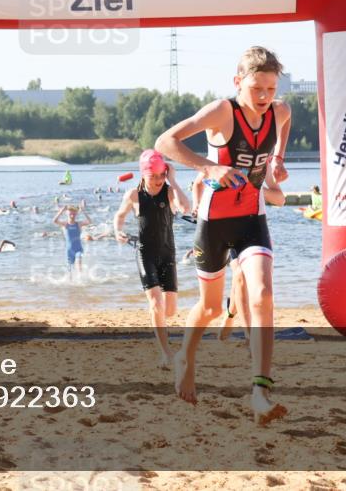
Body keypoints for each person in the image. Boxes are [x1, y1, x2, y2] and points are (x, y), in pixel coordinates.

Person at [155, 45, 291, 425]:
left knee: (262, 294)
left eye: (270, 89)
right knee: (212, 308)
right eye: (256, 89)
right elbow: (165, 142)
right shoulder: (221, 111)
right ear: (238, 82)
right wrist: (211, 167)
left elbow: (286, 119)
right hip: (213, 222)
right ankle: (185, 357)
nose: (265, 98)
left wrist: (278, 158)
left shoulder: (278, 110)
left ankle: (260, 392)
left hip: (252, 218)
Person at [114, 150, 190, 368]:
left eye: (161, 175)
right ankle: (166, 354)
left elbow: (186, 207)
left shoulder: (169, 191)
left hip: (168, 253)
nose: (157, 181)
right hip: (145, 252)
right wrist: (117, 231)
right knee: (156, 303)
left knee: (170, 310)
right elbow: (119, 216)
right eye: (152, 176)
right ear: (143, 175)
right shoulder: (133, 195)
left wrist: (173, 180)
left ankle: (158, 323)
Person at [52, 201, 92, 272]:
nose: (72, 216)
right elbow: (54, 221)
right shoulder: (65, 224)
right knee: (69, 271)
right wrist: (61, 211)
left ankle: (80, 279)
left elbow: (89, 221)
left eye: (74, 214)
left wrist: (83, 211)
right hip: (69, 251)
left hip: (78, 249)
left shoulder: (78, 224)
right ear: (67, 214)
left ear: (76, 214)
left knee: (79, 262)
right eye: (70, 214)